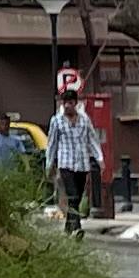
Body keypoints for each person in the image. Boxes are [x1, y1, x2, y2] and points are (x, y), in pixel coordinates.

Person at [47, 89, 105, 234]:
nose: (67, 106)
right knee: (72, 195)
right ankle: (77, 227)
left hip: (82, 164)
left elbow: (92, 140)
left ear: (75, 104)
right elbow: (52, 143)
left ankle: (68, 227)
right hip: (66, 164)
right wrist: (49, 164)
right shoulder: (57, 121)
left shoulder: (84, 120)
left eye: (70, 103)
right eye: (65, 103)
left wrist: (100, 159)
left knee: (77, 197)